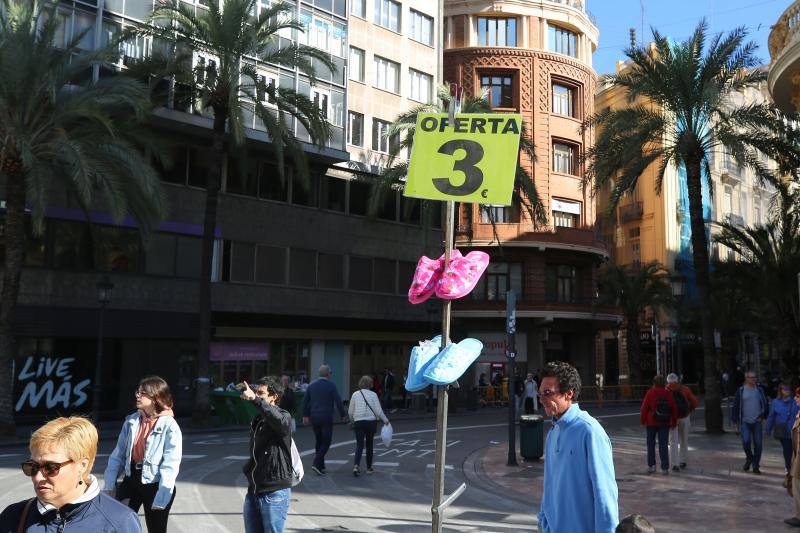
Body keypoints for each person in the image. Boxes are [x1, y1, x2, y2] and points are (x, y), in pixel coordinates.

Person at [0, 416, 141, 532]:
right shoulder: (14, 515)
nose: (38, 477)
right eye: (33, 467)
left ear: (82, 465)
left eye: (50, 467)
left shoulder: (119, 521)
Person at [537, 361, 618, 533]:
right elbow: (549, 485)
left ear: (568, 394)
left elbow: (604, 494)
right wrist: (543, 521)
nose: (542, 399)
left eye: (547, 393)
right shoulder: (553, 433)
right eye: (540, 394)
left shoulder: (589, 431)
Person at [103, 376, 182, 533]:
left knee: (156, 529)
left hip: (155, 483)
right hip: (131, 479)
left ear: (155, 398)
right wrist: (110, 484)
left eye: (143, 393)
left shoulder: (169, 426)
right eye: (137, 392)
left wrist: (163, 493)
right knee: (115, 524)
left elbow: (171, 463)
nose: (137, 396)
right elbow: (117, 455)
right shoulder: (131, 421)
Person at [239, 377, 294, 533]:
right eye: (257, 392)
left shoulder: (284, 417)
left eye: (261, 393)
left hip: (274, 491)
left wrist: (255, 400)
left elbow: (278, 420)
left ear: (274, 397)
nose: (257, 395)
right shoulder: (258, 420)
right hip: (254, 490)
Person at [301, 364, 348, 475]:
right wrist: (343, 414)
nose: (331, 375)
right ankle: (316, 463)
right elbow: (338, 401)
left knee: (319, 440)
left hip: (314, 416)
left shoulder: (312, 385)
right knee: (326, 441)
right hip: (326, 416)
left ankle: (321, 466)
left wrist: (305, 415)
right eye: (330, 373)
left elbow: (304, 401)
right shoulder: (331, 385)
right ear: (328, 374)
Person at [349, 375, 390, 476]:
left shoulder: (355, 394)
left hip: (358, 422)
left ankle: (356, 466)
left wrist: (352, 421)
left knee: (359, 445)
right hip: (370, 422)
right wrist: (386, 420)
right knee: (369, 445)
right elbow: (378, 411)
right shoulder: (373, 395)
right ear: (370, 384)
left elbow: (350, 412)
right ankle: (368, 468)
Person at [732, 370, 769, 473]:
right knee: (746, 442)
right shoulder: (741, 391)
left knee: (758, 444)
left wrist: (763, 416)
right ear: (746, 378)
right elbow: (735, 407)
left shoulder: (760, 390)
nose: (754, 379)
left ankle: (756, 466)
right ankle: (749, 458)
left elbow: (765, 404)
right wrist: (735, 423)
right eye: (751, 377)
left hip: (757, 421)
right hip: (745, 421)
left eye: (755, 377)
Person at [640, 375, 677, 475]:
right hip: (664, 422)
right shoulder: (668, 393)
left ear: (654, 383)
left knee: (650, 444)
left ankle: (651, 465)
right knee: (663, 445)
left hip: (651, 421)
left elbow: (644, 408)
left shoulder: (650, 393)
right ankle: (665, 468)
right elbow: (673, 408)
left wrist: (642, 420)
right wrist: (674, 421)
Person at [666, 373, 699, 471]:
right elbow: (695, 402)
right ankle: (683, 461)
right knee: (684, 440)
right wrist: (689, 411)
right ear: (677, 380)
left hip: (672, 419)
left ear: (668, 381)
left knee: (673, 441)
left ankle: (674, 464)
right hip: (684, 417)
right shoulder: (685, 389)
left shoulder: (666, 390)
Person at [768, 382, 799, 474]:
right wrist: (768, 429)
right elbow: (771, 416)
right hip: (782, 430)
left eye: (788, 389)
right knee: (787, 448)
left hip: (793, 429)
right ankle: (788, 467)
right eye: (785, 389)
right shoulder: (775, 402)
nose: (787, 391)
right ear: (780, 391)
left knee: (793, 449)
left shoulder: (795, 401)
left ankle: (792, 466)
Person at [784, 387, 800, 528]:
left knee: (797, 485)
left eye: (798, 396)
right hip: (797, 457)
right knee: (796, 486)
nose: (795, 399)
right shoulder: (799, 414)